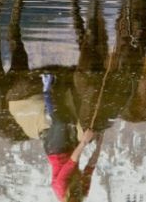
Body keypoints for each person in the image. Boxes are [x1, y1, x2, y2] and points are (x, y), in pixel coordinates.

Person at [40, 72, 102, 201]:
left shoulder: (61, 189)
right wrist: (99, 142)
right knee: (74, 121)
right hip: (72, 150)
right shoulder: (82, 192)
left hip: (56, 151)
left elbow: (70, 164)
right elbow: (90, 166)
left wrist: (84, 142)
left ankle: (46, 89)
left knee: (61, 122)